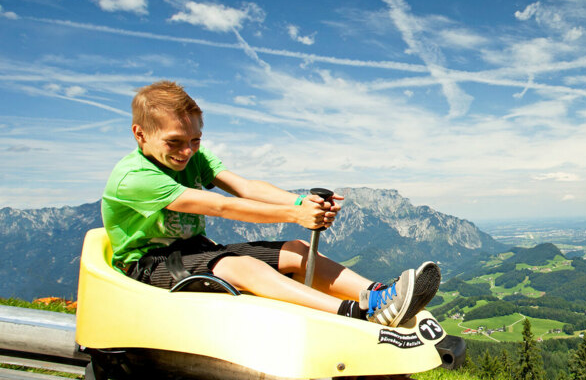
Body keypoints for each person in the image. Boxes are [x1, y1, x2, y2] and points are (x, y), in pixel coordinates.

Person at [101, 80, 439, 328]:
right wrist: (294, 214)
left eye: (195, 141)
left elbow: (244, 187)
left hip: (194, 250)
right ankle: (356, 315)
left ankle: (379, 297)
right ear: (140, 134)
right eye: (175, 142)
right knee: (243, 268)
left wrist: (300, 202)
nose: (187, 152)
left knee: (297, 250)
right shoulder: (134, 176)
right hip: (147, 266)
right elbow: (217, 207)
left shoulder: (193, 158)